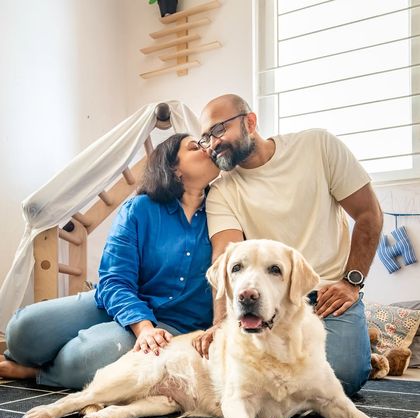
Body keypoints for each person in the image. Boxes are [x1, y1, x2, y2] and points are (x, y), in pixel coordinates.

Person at [193, 94, 383, 397]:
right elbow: (224, 256)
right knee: (265, 383)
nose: (213, 143)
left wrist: (352, 282)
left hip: (328, 295)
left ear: (250, 122)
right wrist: (220, 322)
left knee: (347, 375)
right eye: (205, 138)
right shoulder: (221, 190)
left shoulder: (318, 146)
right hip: (270, 299)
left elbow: (369, 214)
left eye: (218, 130)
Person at [0, 134, 220, 389]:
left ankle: (35, 373)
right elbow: (115, 278)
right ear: (173, 167)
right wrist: (143, 327)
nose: (208, 149)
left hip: (173, 324)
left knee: (81, 361)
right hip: (113, 303)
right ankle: (35, 355)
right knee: (22, 330)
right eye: (196, 147)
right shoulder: (140, 208)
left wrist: (151, 330)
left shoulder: (224, 215)